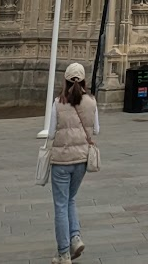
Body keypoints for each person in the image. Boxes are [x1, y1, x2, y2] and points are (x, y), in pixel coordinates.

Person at [44, 62, 99, 264]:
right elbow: (97, 130)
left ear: (65, 81)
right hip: (82, 160)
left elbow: (50, 133)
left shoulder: (58, 103)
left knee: (60, 204)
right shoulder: (92, 102)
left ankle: (64, 253)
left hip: (61, 161)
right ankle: (75, 238)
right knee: (71, 200)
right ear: (84, 80)